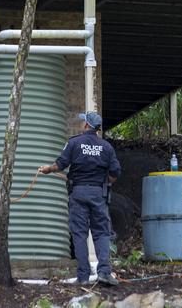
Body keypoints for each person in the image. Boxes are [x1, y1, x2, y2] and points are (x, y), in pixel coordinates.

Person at [38, 111, 121, 286]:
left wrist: (47, 169)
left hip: (78, 193)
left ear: (85, 125)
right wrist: (105, 182)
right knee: (101, 233)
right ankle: (105, 272)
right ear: (97, 128)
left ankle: (83, 277)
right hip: (99, 193)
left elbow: (60, 165)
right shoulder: (106, 147)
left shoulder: (74, 143)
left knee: (79, 234)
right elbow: (115, 172)